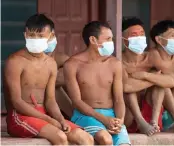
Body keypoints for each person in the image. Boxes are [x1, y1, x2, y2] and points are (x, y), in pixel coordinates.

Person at [3, 14, 94, 145]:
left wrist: (60, 119)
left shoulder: (51, 64)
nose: (35, 39)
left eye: (40, 36)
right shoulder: (15, 62)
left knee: (85, 138)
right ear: (25, 35)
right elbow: (16, 102)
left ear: (51, 36)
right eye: (32, 36)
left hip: (44, 115)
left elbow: (50, 100)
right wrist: (48, 119)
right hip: (20, 117)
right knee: (60, 137)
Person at [122, 17, 174, 136]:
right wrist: (153, 78)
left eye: (142, 34)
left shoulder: (151, 57)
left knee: (159, 82)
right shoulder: (119, 61)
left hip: (151, 110)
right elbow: (126, 87)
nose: (139, 38)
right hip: (129, 115)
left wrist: (146, 75)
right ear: (124, 41)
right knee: (132, 89)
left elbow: (169, 81)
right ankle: (141, 122)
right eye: (134, 35)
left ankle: (169, 120)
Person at [64, 21, 130, 145]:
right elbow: (76, 102)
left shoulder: (114, 64)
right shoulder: (72, 64)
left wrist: (120, 121)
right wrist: (104, 120)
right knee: (106, 139)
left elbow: (119, 99)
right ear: (93, 40)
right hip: (85, 116)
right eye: (108, 39)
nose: (112, 43)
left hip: (111, 116)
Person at [43, 19, 73, 118]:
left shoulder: (61, 58)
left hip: (56, 105)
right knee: (55, 86)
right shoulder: (26, 59)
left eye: (52, 36)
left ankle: (74, 117)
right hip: (36, 101)